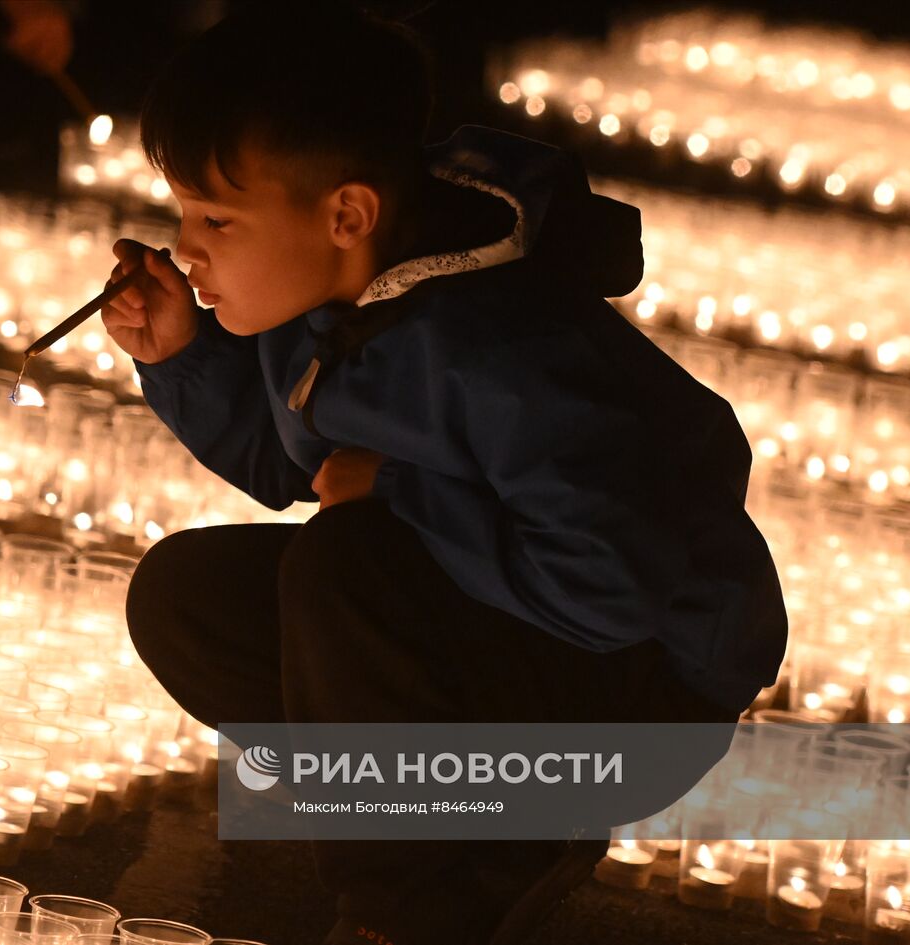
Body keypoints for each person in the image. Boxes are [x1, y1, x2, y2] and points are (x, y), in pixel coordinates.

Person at [99, 3, 788, 942]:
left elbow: (606, 587)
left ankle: (424, 902)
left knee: (346, 563)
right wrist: (181, 354)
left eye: (217, 216)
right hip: (515, 638)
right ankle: (472, 840)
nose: (187, 245)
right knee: (187, 597)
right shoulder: (335, 300)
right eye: (182, 212)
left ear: (348, 213)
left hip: (640, 688)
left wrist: (391, 496)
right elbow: (294, 461)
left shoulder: (503, 349)